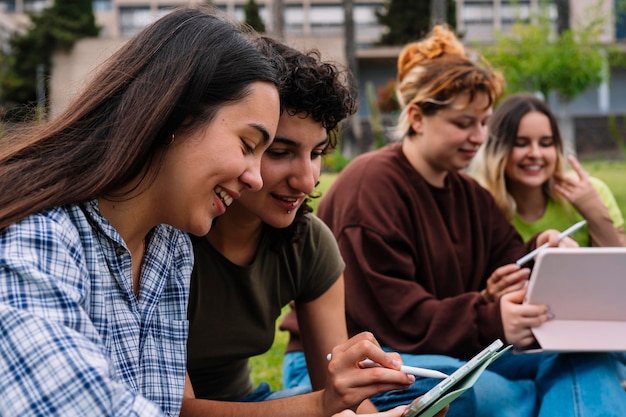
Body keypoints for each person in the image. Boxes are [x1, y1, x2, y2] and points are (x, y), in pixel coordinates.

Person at [312, 25, 626, 416]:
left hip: (458, 349)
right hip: (375, 362)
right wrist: (491, 318)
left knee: (586, 360)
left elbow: (508, 257)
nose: (479, 137)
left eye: (484, 123)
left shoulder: (469, 194)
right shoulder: (371, 186)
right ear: (417, 116)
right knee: (471, 387)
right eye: (464, 123)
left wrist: (540, 250)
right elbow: (395, 319)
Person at [0, 6, 283, 416]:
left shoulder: (170, 250)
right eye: (247, 145)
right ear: (176, 115)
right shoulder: (38, 234)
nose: (257, 178)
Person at [182, 36, 437, 417]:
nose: (306, 180)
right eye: (281, 153)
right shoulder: (172, 238)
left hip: (254, 405)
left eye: (317, 153)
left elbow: (333, 392)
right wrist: (323, 406)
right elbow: (173, 409)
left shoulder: (308, 241)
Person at [470, 92, 625, 248]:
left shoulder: (592, 192)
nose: (535, 154)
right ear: (496, 150)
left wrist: (595, 212)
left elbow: (617, 267)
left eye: (545, 143)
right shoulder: (478, 206)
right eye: (521, 143)